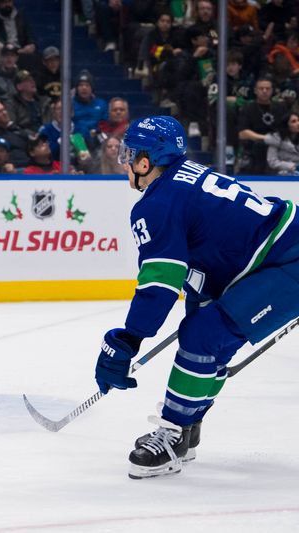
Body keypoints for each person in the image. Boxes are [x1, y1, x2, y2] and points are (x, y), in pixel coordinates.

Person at [94, 115, 299, 479]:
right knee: (205, 333)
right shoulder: (184, 177)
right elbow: (208, 261)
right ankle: (186, 423)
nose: (125, 161)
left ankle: (173, 434)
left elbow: (160, 284)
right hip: (275, 253)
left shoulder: (158, 204)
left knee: (204, 335)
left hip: (289, 259)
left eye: (130, 153)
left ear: (146, 161)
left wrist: (129, 338)